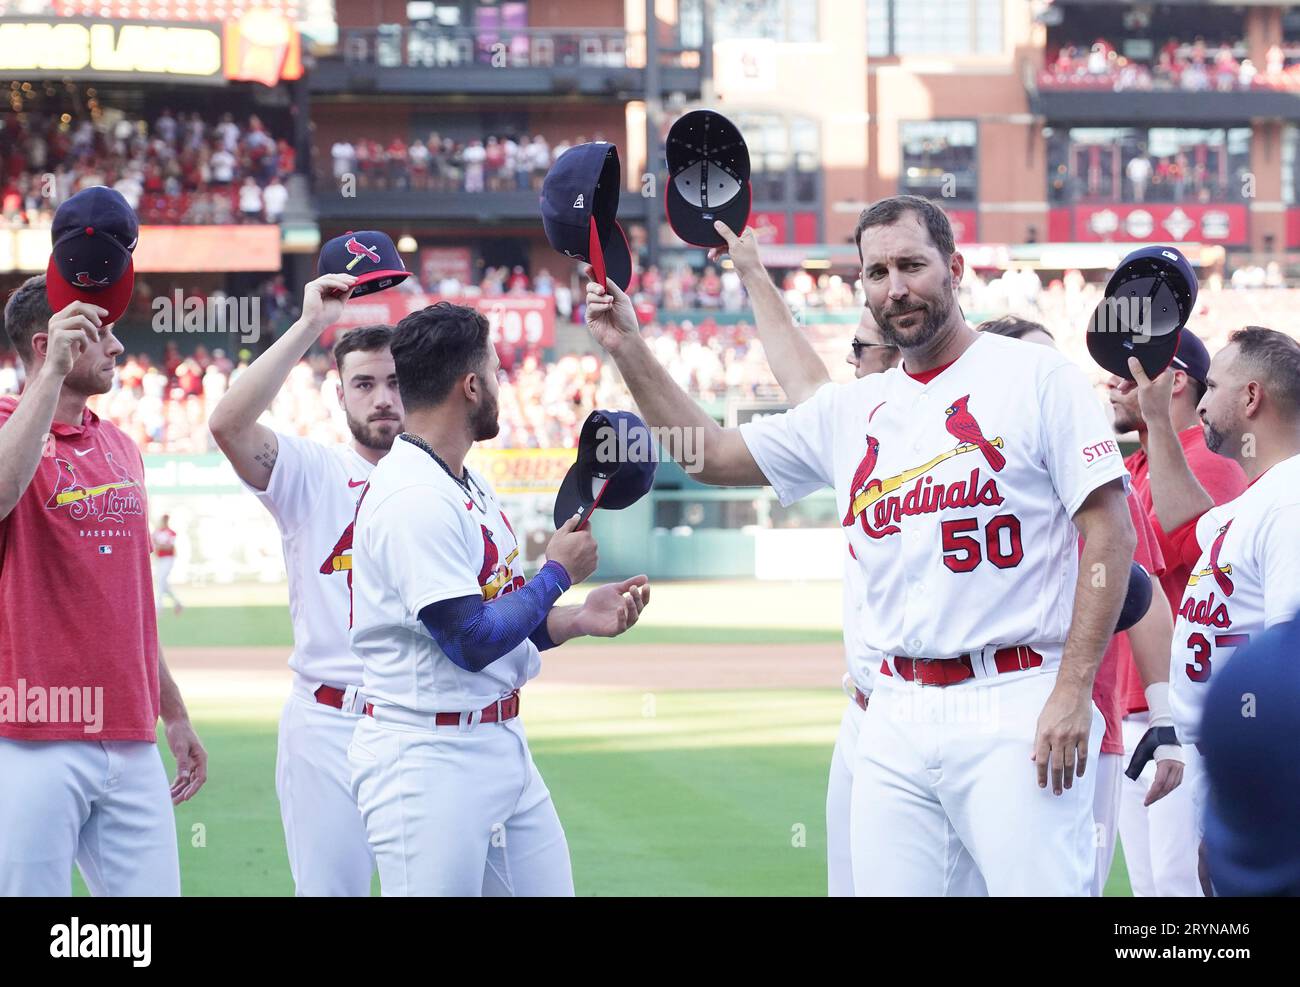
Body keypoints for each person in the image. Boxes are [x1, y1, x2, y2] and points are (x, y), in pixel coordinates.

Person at [587, 195, 1137, 895]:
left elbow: (1109, 530)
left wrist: (1072, 687)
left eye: (911, 264)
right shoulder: (852, 409)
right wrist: (628, 346)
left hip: (1016, 695)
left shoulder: (1036, 378)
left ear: (956, 268)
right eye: (876, 272)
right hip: (894, 710)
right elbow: (710, 455)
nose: (895, 287)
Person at [347, 301, 650, 895]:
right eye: (495, 372)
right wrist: (556, 576)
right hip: (427, 758)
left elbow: (502, 617)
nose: (501, 385)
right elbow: (470, 640)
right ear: (470, 385)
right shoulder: (413, 496)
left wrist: (573, 619)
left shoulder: (463, 480)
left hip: (499, 742)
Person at [0, 277, 207, 896]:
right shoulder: (6, 428)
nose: (118, 348)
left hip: (129, 731)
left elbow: (130, 600)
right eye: (103, 333)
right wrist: (47, 382)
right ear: (48, 343)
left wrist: (172, 708)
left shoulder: (119, 444)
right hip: (32, 731)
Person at [209, 274, 400, 897]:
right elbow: (229, 425)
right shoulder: (313, 472)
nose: (381, 400)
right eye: (364, 385)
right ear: (337, 395)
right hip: (328, 723)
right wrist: (309, 325)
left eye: (396, 383)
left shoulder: (451, 481)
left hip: (418, 718)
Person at [980, 315, 1182, 895]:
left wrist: (1165, 721)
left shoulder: (1096, 473)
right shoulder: (960, 479)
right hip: (965, 718)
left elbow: (1141, 595)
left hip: (1081, 725)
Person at [1125, 326, 1300, 893]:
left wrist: (1251, 803)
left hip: (1257, 765)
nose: (1200, 401)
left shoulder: (1291, 500)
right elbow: (1187, 522)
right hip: (1220, 759)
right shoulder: (1259, 498)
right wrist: (1155, 419)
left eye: (1215, 385)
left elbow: (1288, 667)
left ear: (1251, 398)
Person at [1107, 331, 1246, 897]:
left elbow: (1183, 542)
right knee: (1152, 888)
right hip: (1136, 703)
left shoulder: (1207, 460)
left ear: (1174, 381)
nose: (1112, 387)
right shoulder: (1139, 463)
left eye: (1125, 377)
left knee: (1179, 885)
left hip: (1181, 710)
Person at [153, 513, 183, 615]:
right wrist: (159, 546)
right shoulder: (157, 532)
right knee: (162, 582)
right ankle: (177, 602)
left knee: (161, 580)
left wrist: (159, 546)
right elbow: (153, 544)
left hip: (168, 558)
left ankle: (159, 607)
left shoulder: (171, 533)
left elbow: (169, 547)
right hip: (160, 559)